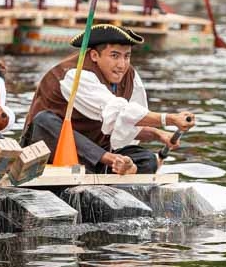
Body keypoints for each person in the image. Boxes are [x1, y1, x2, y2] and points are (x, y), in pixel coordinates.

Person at [22, 24, 196, 175]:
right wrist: (169, 119)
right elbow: (119, 111)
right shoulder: (75, 74)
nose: (122, 65)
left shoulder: (130, 77)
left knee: (148, 159)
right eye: (114, 56)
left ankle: (126, 167)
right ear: (94, 56)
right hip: (47, 152)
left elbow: (129, 123)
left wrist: (158, 135)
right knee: (44, 120)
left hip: (92, 157)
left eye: (126, 56)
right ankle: (113, 161)